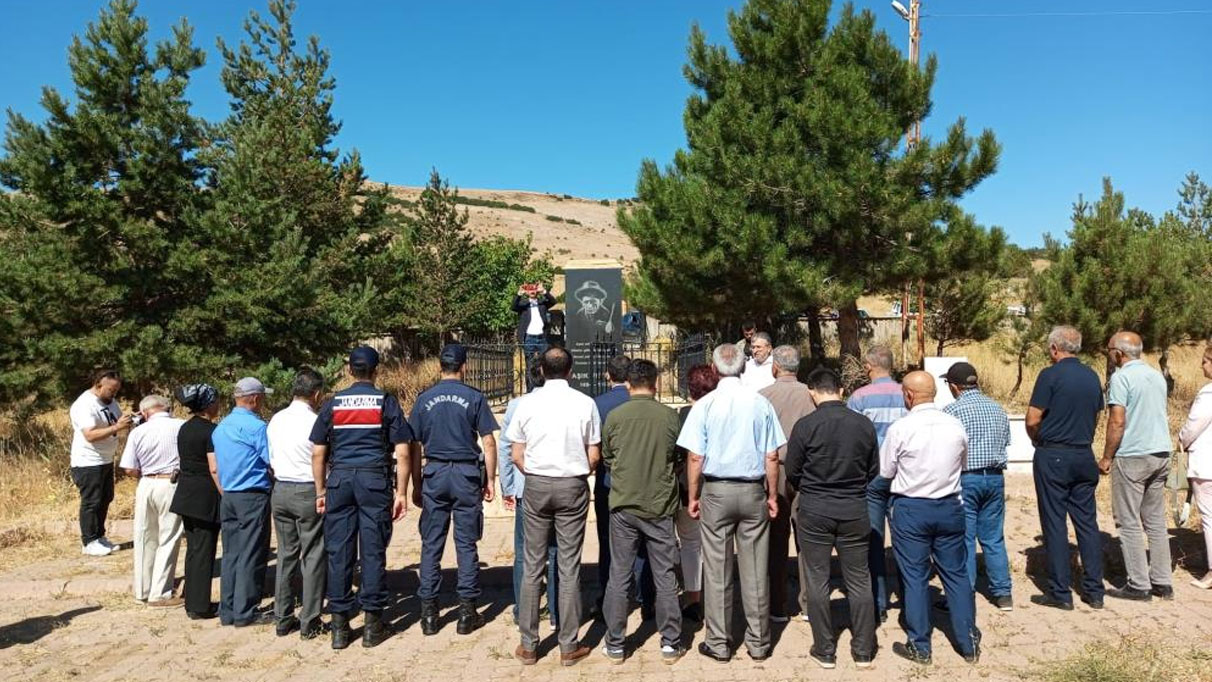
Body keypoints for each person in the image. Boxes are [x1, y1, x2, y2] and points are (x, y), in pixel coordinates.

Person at [679, 343, 785, 664]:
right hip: (752, 490)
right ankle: (758, 641)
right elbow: (772, 454)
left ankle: (719, 642)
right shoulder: (760, 403)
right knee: (755, 569)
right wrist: (770, 494)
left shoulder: (705, 405)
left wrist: (694, 496)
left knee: (717, 568)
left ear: (714, 369)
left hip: (717, 490)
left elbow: (695, 456)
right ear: (742, 367)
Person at [310, 346, 413, 650]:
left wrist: (320, 491)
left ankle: (340, 628)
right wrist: (402, 492)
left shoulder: (332, 404)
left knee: (339, 552)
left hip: (339, 480)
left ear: (350, 371)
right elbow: (403, 450)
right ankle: (372, 625)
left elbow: (318, 452)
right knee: (372, 551)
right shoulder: (386, 402)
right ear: (376, 371)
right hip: (374, 480)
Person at [508, 347, 601, 667]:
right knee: (569, 563)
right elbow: (594, 455)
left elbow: (516, 453)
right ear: (570, 370)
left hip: (536, 483)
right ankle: (568, 644)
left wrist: (536, 472)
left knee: (533, 563)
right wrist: (575, 471)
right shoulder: (585, 403)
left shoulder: (526, 403)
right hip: (572, 484)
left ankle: (528, 643)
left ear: (542, 370)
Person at [882, 371, 980, 665]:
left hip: (912, 508)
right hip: (949, 505)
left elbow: (885, 471)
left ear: (908, 395)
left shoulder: (901, 428)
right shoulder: (955, 425)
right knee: (956, 574)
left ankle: (920, 645)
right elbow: (963, 463)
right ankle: (968, 642)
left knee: (915, 576)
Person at [785, 368, 878, 670]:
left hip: (815, 508)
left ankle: (825, 648)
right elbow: (873, 469)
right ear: (840, 390)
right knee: (859, 578)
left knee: (816, 578)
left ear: (812, 391)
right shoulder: (863, 424)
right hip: (854, 508)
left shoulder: (805, 425)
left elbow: (792, 471)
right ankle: (863, 648)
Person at [600, 360, 686, 665]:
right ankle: (670, 640)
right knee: (664, 573)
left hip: (624, 502)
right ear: (655, 383)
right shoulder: (669, 417)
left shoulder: (614, 416)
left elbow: (608, 456)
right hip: (659, 504)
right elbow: (679, 455)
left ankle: (615, 641)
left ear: (628, 383)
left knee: (619, 573)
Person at [410, 344, 499, 636]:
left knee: (431, 545)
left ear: (440, 367)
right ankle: (466, 612)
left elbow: (413, 445)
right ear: (464, 366)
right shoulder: (474, 397)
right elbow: (488, 441)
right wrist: (490, 479)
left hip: (435, 473)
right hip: (465, 474)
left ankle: (429, 615)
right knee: (466, 543)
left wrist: (415, 482)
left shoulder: (424, 399)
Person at [1027, 325, 1106, 611]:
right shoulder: (1091, 375)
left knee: (1054, 523)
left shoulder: (1049, 375)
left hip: (1054, 454)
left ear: (1054, 348)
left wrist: (1039, 441)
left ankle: (1060, 592)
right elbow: (1097, 414)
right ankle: (1095, 591)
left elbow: (1033, 418)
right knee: (1087, 522)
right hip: (1084, 453)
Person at [1100, 331, 1173, 601]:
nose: (1109, 354)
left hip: (1133, 454)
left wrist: (1107, 457)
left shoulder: (1121, 377)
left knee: (1128, 520)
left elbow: (1117, 421)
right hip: (1161, 451)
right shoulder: (1156, 375)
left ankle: (1138, 584)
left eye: (1109, 350)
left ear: (1119, 353)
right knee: (1155, 521)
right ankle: (1162, 581)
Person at [941, 362, 1014, 610]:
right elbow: (1006, 441)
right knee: (994, 538)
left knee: (965, 538)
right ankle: (1003, 593)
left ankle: (965, 593)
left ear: (954, 386)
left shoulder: (952, 411)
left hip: (966, 479)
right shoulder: (997, 408)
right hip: (994, 478)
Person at [847, 345, 907, 622]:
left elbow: (852, 438)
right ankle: (909, 599)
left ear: (868, 367)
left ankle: (878, 603)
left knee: (873, 540)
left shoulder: (859, 397)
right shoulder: (907, 393)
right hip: (904, 476)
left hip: (871, 476)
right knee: (906, 541)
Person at [499, 363, 562, 629]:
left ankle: (523, 611)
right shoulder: (569, 402)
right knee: (555, 551)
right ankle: (557, 613)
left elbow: (506, 448)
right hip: (561, 483)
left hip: (528, 486)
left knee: (525, 553)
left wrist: (508, 486)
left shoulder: (517, 406)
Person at [267, 369, 328, 639]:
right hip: (307, 488)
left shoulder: (276, 420)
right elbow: (323, 456)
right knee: (313, 554)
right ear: (316, 394)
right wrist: (321, 490)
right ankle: (310, 620)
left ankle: (282, 617)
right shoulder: (316, 421)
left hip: (280, 489)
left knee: (286, 554)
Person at [593, 355, 653, 618]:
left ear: (608, 375)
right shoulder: (643, 402)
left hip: (609, 482)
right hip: (643, 481)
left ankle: (608, 594)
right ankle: (643, 594)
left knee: (607, 541)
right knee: (642, 543)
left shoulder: (597, 405)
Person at [758, 345, 815, 622]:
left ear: (775, 367)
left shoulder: (763, 396)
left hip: (775, 471)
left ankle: (777, 605)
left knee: (775, 539)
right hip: (807, 471)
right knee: (808, 539)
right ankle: (808, 603)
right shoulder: (811, 394)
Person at [212, 377, 275, 628]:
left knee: (231, 553)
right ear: (255, 398)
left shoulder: (221, 426)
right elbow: (271, 459)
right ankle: (246, 610)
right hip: (252, 495)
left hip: (228, 496)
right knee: (251, 553)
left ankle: (227, 609)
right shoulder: (257, 428)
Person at [119, 394, 185, 607]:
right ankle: (160, 592)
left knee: (145, 535)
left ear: (145, 412)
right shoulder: (181, 426)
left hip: (146, 483)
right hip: (172, 482)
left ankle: (142, 590)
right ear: (167, 408)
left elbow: (129, 468)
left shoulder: (138, 432)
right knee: (169, 536)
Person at [170, 383, 223, 620]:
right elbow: (214, 467)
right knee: (204, 551)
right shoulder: (210, 431)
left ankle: (192, 599)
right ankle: (200, 606)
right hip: (204, 496)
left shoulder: (185, 428)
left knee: (193, 550)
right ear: (208, 403)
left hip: (186, 494)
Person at [69, 369, 131, 556]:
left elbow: (117, 421)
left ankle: (99, 537)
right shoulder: (84, 405)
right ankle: (89, 542)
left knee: (105, 498)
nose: (114, 394)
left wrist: (129, 419)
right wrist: (117, 427)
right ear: (98, 385)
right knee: (91, 502)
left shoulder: (110, 402)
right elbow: (90, 435)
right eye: (111, 390)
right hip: (88, 462)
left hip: (105, 460)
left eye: (117, 390)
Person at [674, 365, 718, 623]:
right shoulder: (726, 411)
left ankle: (693, 597)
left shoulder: (685, 415)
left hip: (690, 485)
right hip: (717, 484)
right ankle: (714, 595)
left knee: (690, 544)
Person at [1180, 344, 1212, 589]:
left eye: (1205, 360)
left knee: (1209, 517)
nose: (1202, 365)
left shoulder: (1208, 394)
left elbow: (1193, 426)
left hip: (1206, 464)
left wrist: (1180, 439)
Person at [513, 283, 556, 384]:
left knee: (545, 363)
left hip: (542, 337)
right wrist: (519, 294)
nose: (532, 291)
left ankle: (544, 386)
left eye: (534, 289)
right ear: (527, 292)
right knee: (530, 365)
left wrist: (544, 291)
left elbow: (553, 301)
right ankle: (530, 389)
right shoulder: (523, 304)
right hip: (529, 337)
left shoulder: (542, 303)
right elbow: (514, 306)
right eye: (530, 289)